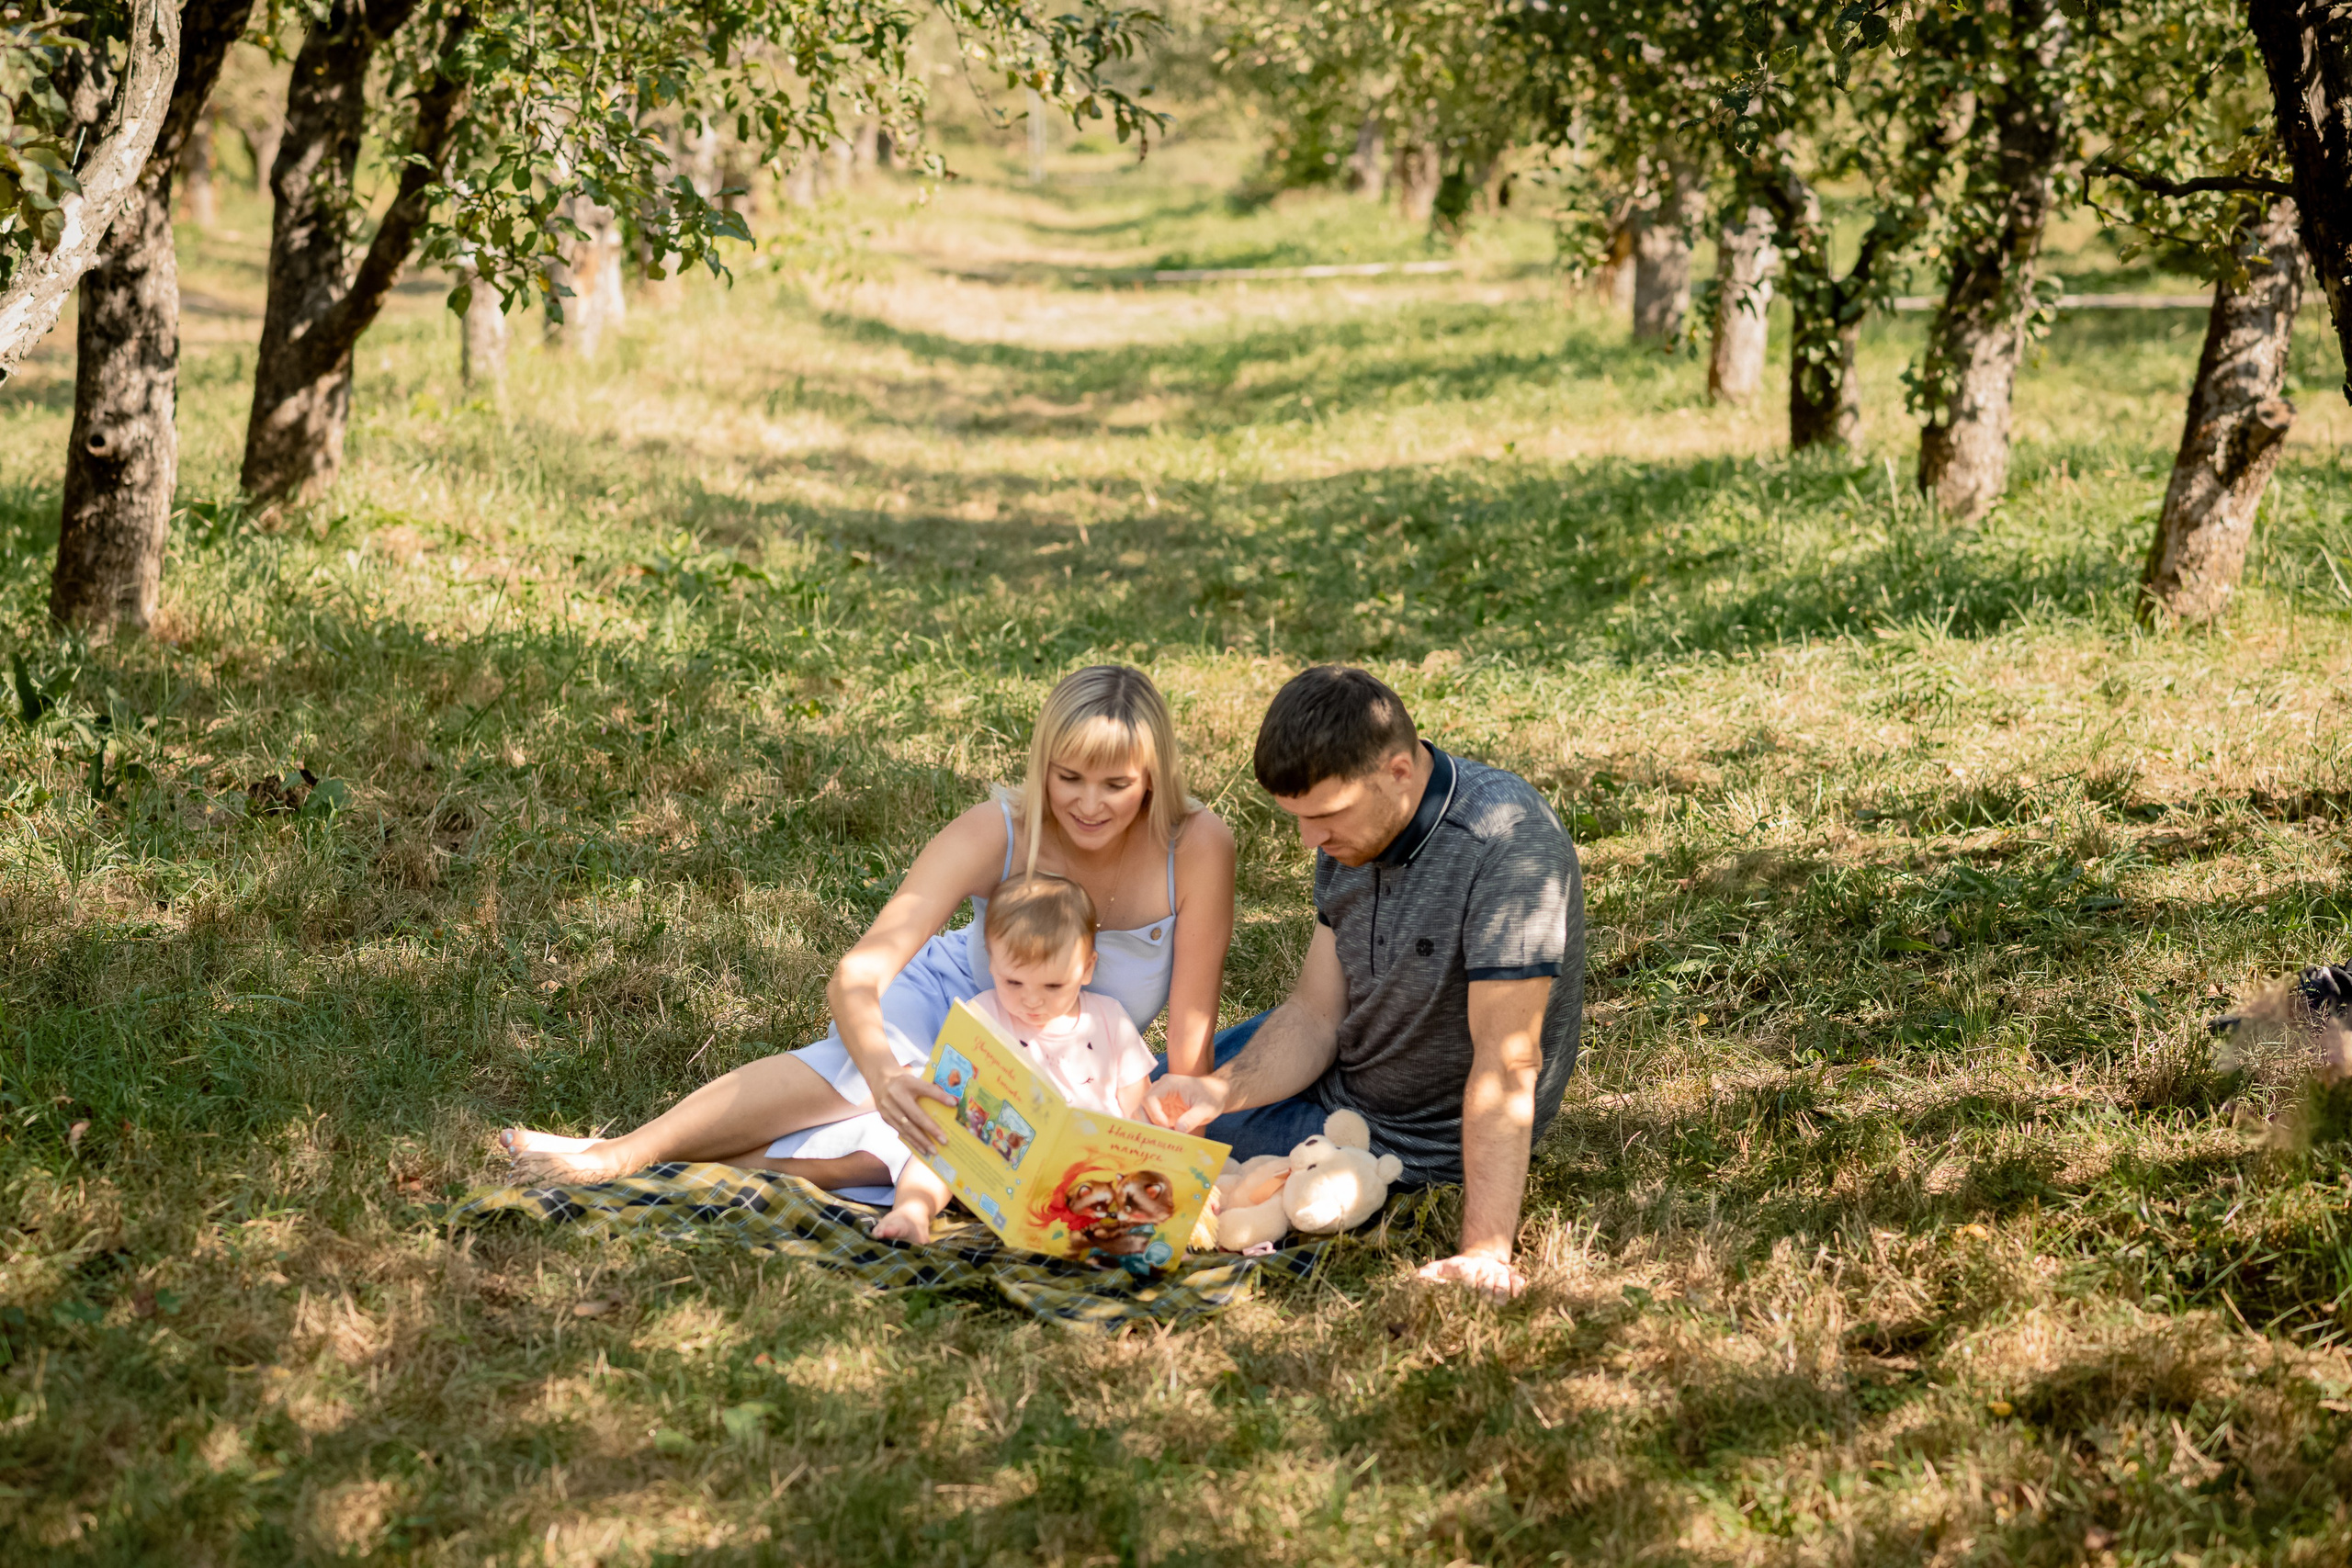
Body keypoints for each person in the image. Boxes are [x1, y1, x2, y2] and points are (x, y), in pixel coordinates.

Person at [501, 665, 1237, 1195]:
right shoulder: (1000, 830)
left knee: (927, 1152)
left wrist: (1169, 1165)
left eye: (1117, 783)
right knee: (858, 1082)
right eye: (1069, 775)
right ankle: (619, 1158)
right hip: (954, 1004)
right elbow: (858, 974)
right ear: (1043, 763)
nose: (1089, 802)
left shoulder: (1196, 845)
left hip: (1049, 1063)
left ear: (1154, 776)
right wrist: (887, 1075)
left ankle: (689, 1165)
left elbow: (1189, 1046)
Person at [1144, 666, 1582, 1300]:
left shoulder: (1506, 845)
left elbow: (1508, 1058)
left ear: (1399, 771)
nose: (1309, 840)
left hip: (1400, 1139)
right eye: (1298, 817)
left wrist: (1484, 1250)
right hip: (1335, 1075)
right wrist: (1219, 1089)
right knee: (1136, 1102)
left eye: (1324, 815)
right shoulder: (1353, 831)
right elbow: (1316, 1014)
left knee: (1120, 1151)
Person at [875, 873, 1157, 1243]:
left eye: (1053, 985)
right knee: (936, 1154)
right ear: (992, 964)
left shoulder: (1109, 1019)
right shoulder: (981, 1014)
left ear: (1087, 968)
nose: (1032, 1000)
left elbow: (1139, 1108)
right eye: (1013, 982)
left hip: (1089, 1170)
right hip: (994, 1161)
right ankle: (912, 1212)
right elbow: (950, 1091)